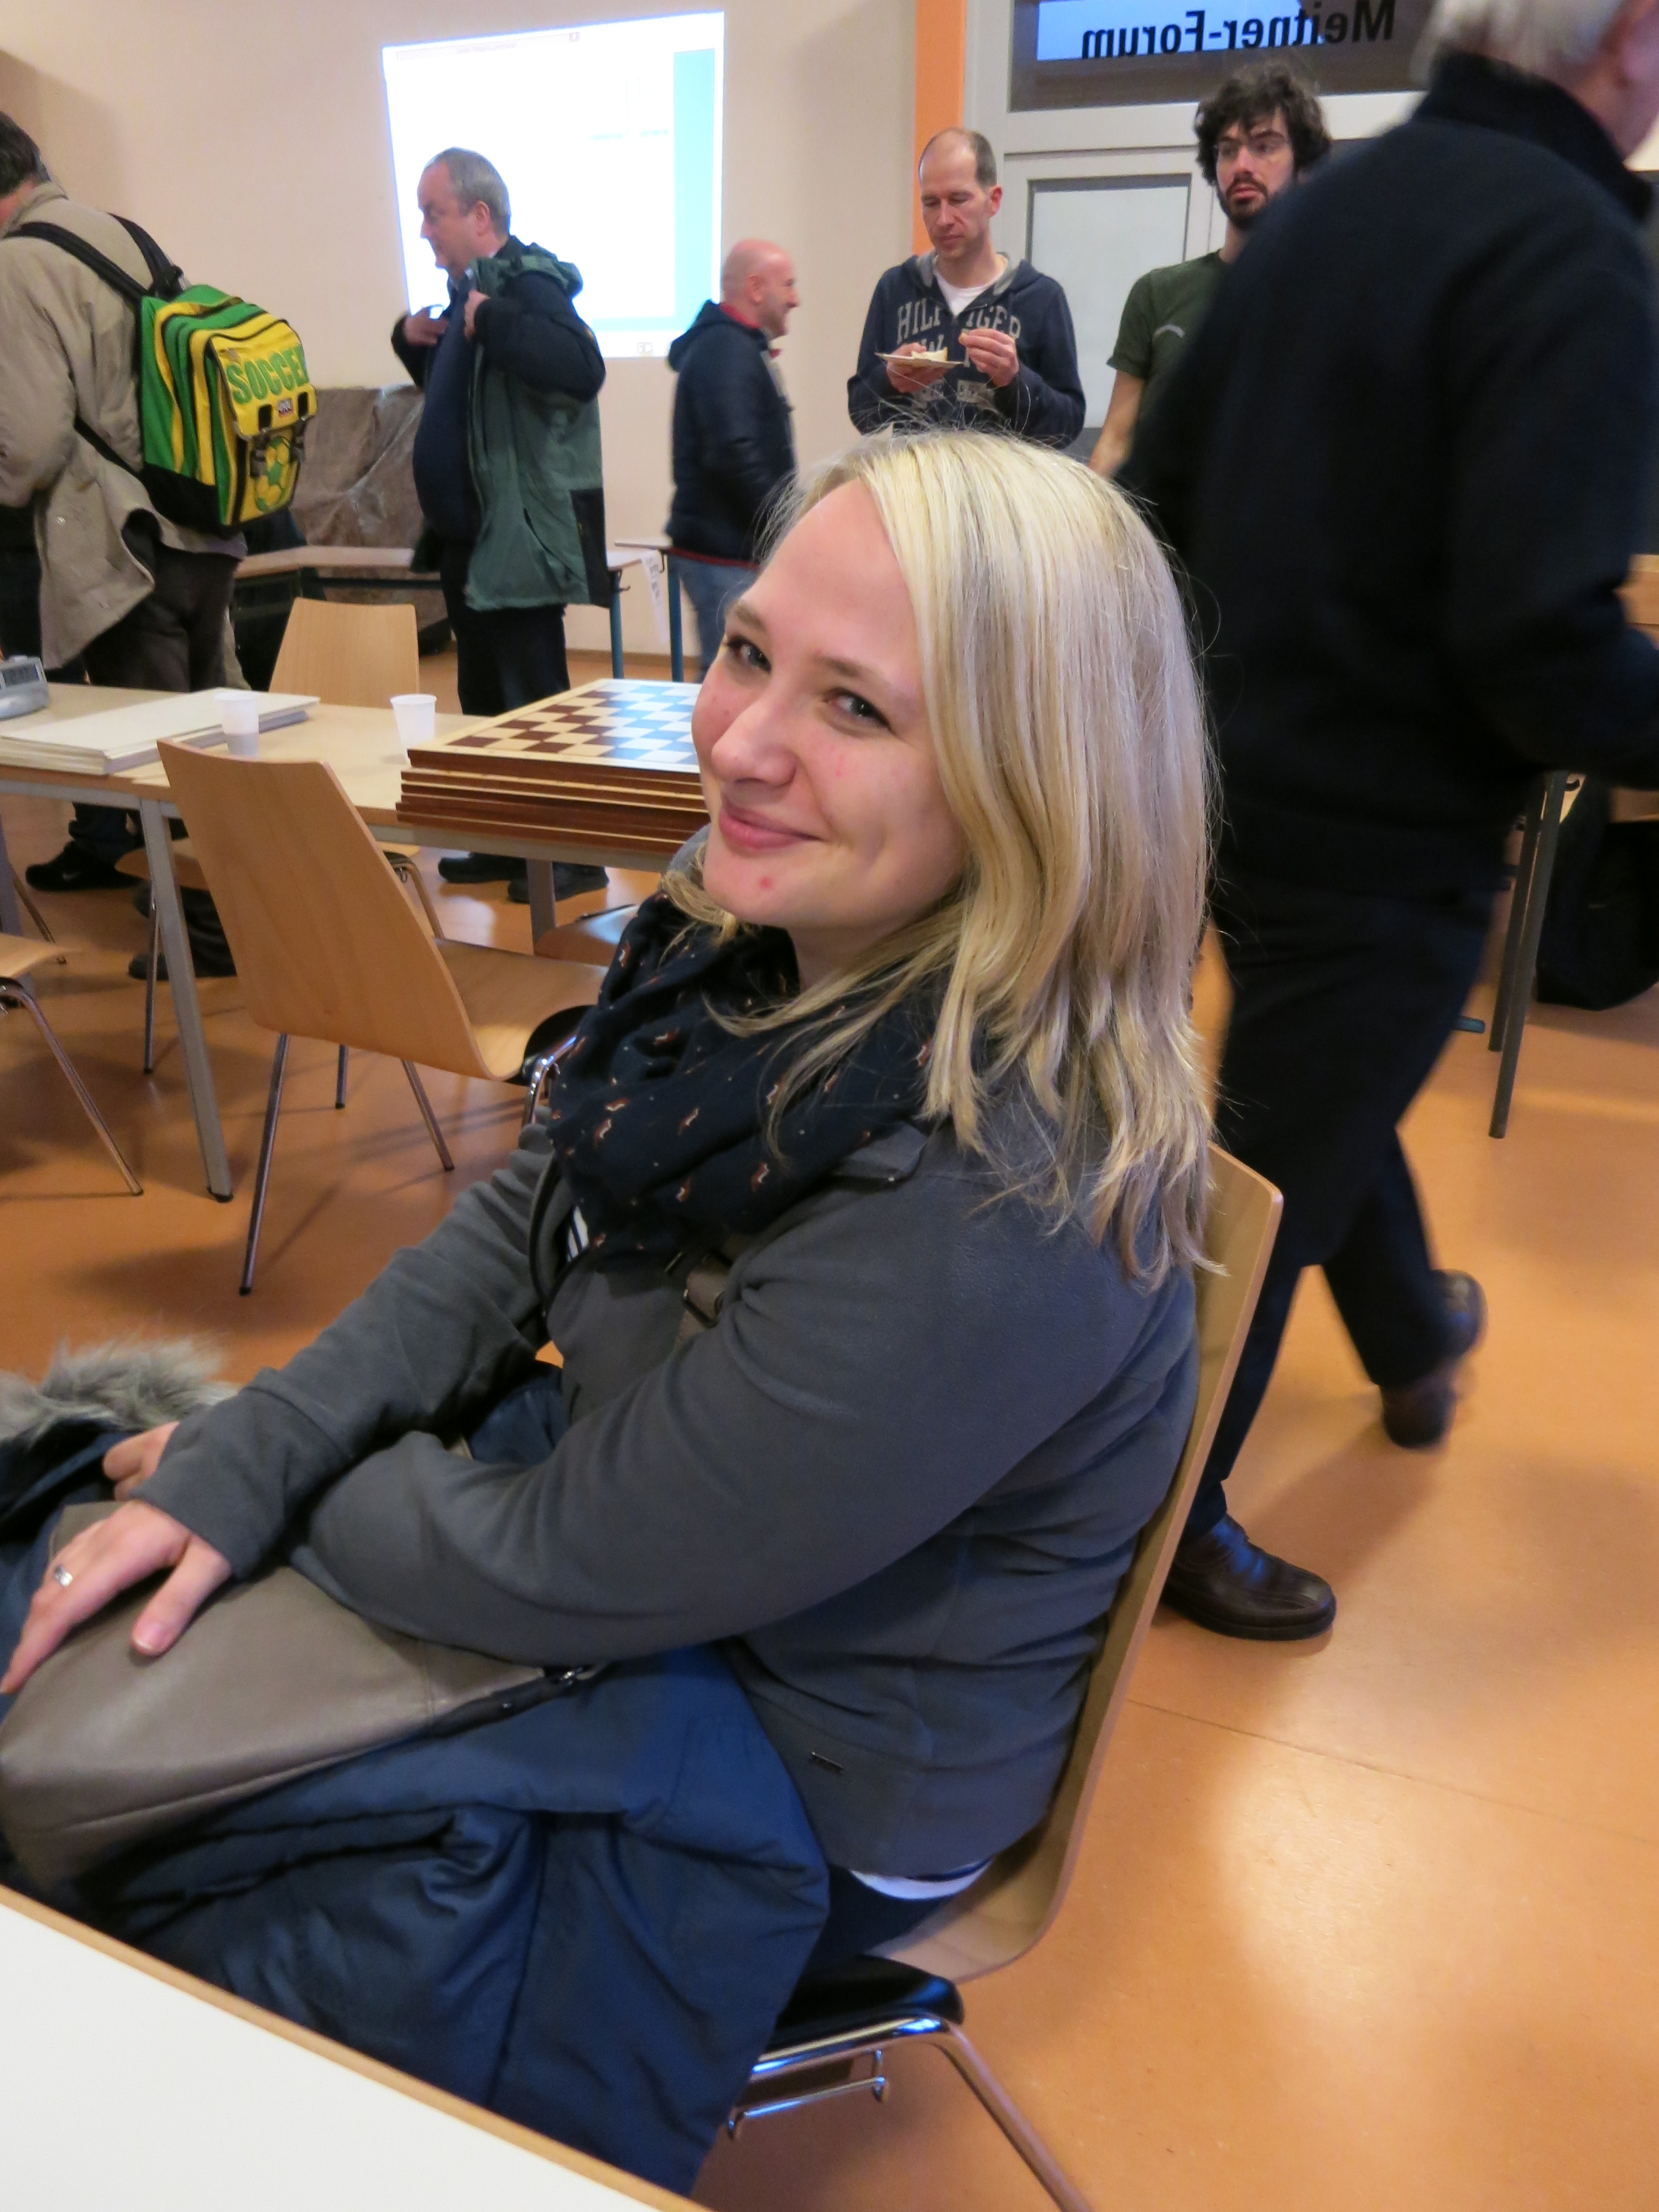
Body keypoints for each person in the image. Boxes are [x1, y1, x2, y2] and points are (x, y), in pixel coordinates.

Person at [2, 430, 1210, 2185]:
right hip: (653, 1557)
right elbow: (533, 1208)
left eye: (855, 707)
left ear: (1041, 786)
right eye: (748, 652)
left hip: (805, 1762)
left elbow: (569, 1559)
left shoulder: (992, 1194)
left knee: (129, 1893)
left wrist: (293, 1488)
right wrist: (252, 1453)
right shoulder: (768, 940)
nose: (744, 743)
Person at [1122, 0, 1659, 1641]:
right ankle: (1156, 1524)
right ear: (1626, 35)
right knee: (1266, 1177)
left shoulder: (1318, 215)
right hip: (1388, 829)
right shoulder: (1570, 249)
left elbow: (1156, 500)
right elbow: (1536, 642)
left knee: (1315, 1091)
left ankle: (1414, 1336)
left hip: (1229, 795)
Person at [0, 114, 242, 893]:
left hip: (123, 545)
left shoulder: (15, 265)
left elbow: (33, 443)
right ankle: (245, 922)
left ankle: (205, 934)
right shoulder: (121, 234)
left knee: (163, 771)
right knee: (214, 752)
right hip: (197, 523)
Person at [390, 146, 609, 901]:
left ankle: (572, 857)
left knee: (537, 709)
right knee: (485, 708)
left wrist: (492, 318)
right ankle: (504, 845)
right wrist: (413, 340)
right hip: (470, 543)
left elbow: (580, 368)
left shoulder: (528, 283)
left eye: (434, 213)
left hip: (517, 540)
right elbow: (471, 404)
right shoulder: (467, 295)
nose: (424, 229)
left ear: (480, 214)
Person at [1089, 61, 1331, 477]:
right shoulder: (1158, 292)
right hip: (1156, 519)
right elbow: (1116, 441)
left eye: (1265, 146)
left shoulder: (1332, 299)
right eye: (1229, 150)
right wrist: (1091, 513)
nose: (1242, 166)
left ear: (1303, 165)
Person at [848, 128, 1085, 447]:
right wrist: (889, 381)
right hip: (917, 478)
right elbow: (861, 415)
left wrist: (1015, 381)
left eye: (959, 200)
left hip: (1000, 480)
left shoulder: (1041, 298)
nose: (944, 219)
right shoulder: (896, 289)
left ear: (994, 200)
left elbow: (1067, 426)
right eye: (931, 203)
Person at [666, 238, 799, 674]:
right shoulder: (725, 349)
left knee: (740, 674)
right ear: (756, 288)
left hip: (732, 547)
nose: (796, 299)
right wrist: (786, 524)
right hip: (723, 552)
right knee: (732, 678)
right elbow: (733, 454)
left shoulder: (734, 346)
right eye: (788, 285)